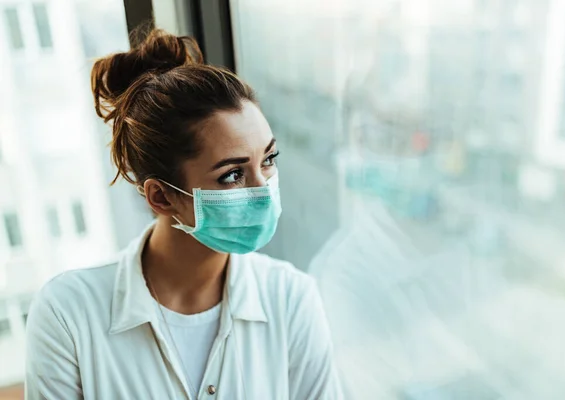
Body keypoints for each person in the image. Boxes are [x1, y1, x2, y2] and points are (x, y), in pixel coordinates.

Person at [24, 29, 341, 400]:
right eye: (233, 175)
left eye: (268, 160)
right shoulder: (69, 315)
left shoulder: (291, 298)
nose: (263, 189)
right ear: (161, 197)